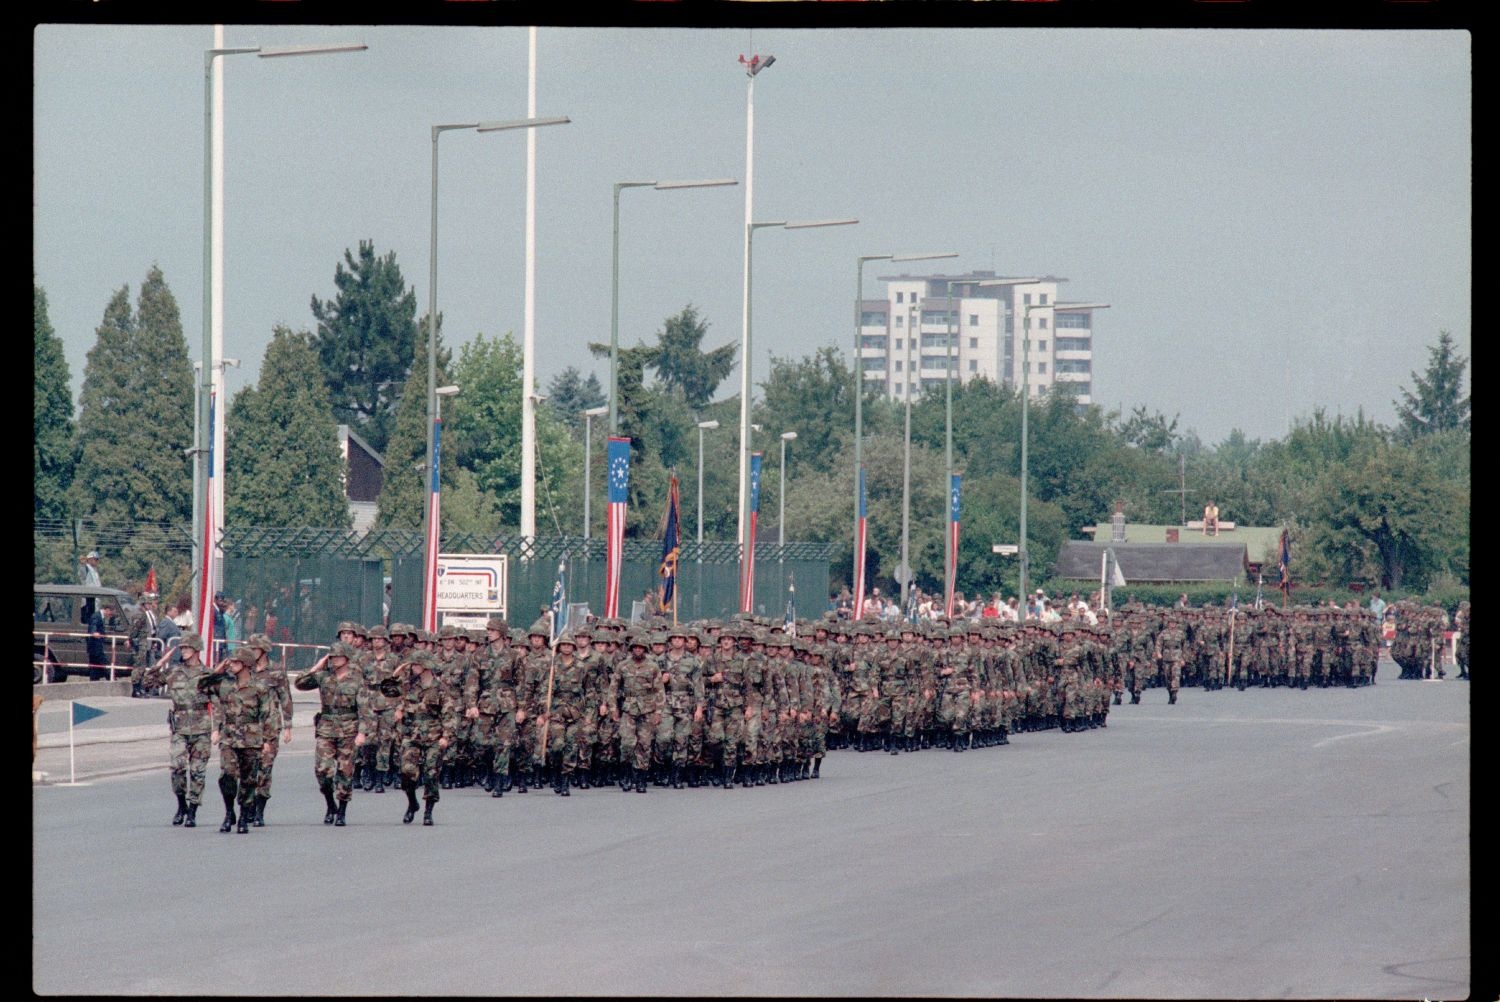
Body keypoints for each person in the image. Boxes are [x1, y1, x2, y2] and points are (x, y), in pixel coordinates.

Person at [198, 648, 274, 835]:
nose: (231, 665)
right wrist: (218, 670)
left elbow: (268, 715)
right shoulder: (224, 684)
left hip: (251, 738)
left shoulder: (259, 688)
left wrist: (267, 741)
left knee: (248, 780)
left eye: (235, 662)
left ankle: (243, 817)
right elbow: (201, 686)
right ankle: (229, 812)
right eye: (230, 662)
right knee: (227, 776)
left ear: (246, 664)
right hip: (229, 737)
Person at [142, 632, 213, 827]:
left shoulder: (207, 674)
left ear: (196, 650)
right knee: (177, 768)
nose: (184, 651)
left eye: (187, 648)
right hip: (180, 728)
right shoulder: (174, 672)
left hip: (201, 728)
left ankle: (192, 811)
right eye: (182, 648)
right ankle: (181, 804)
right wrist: (157, 665)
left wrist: (219, 728)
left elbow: (219, 700)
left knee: (198, 771)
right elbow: (147, 683)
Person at [294, 643, 368, 827]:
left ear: (346, 659)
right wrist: (317, 666)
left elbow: (365, 709)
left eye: (337, 657)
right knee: (322, 770)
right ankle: (330, 804)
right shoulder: (324, 677)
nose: (334, 660)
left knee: (345, 772)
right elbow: (300, 683)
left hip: (349, 728)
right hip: (326, 727)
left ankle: (342, 811)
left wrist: (362, 732)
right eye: (332, 657)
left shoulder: (357, 680)